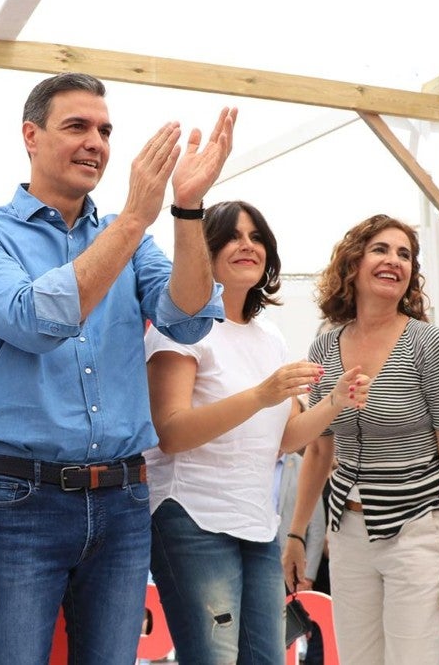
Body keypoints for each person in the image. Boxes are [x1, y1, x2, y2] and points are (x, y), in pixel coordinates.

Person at [0, 70, 234, 663]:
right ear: (31, 134)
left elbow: (189, 318)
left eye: (104, 130)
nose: (95, 142)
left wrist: (187, 209)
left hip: (123, 496)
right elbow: (35, 320)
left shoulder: (133, 240)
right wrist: (133, 219)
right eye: (76, 126)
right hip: (23, 496)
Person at [143, 200, 370, 664]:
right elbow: (170, 432)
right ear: (202, 252)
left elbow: (285, 439)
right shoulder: (179, 329)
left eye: (256, 236)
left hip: (258, 525)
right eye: (231, 235)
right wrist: (261, 396)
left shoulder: (270, 336)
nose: (247, 245)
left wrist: (334, 401)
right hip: (193, 520)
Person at [281, 214, 439, 665]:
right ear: (353, 264)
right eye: (381, 250)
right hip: (347, 534)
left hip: (419, 530)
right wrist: (295, 534)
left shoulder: (430, 344)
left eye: (404, 254)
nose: (394, 261)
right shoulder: (325, 347)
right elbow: (320, 448)